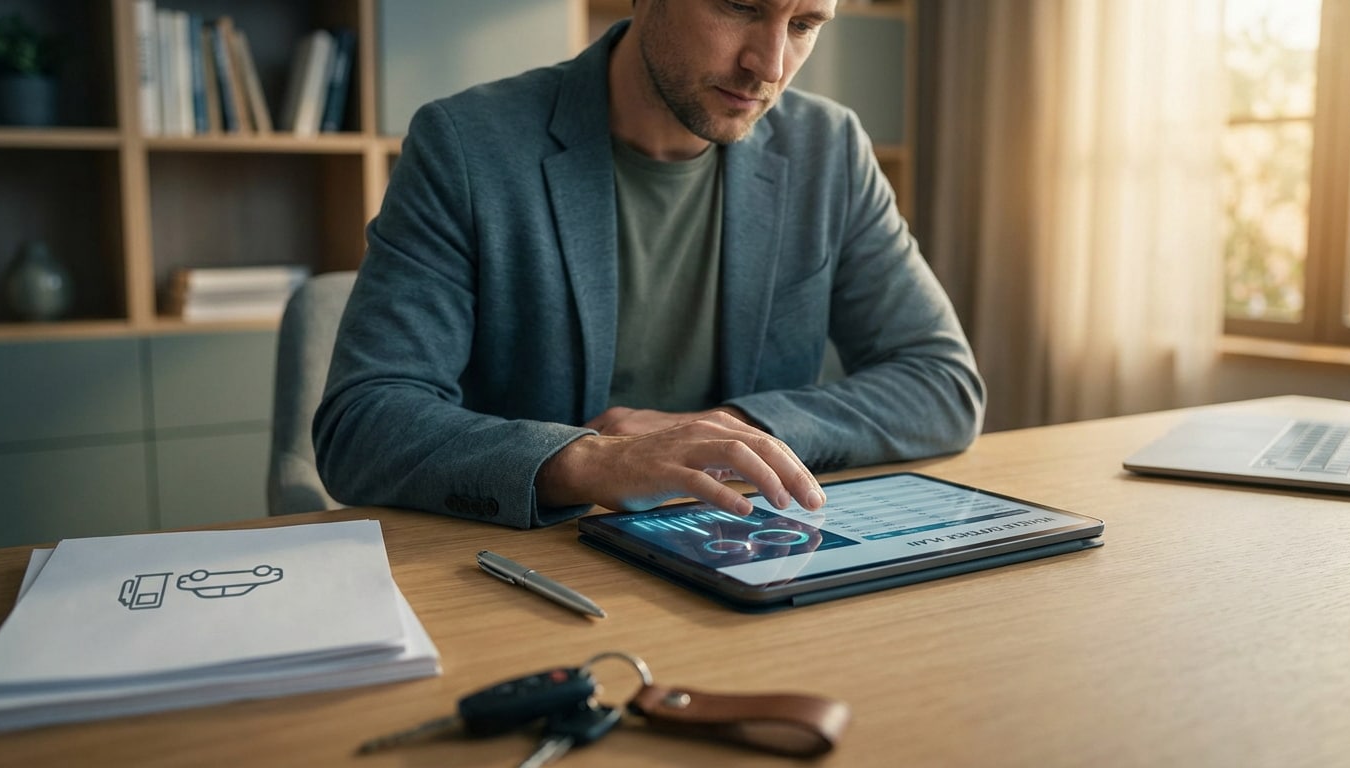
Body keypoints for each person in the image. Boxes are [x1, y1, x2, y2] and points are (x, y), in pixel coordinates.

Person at [313, 0, 986, 529]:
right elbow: (364, 424)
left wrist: (732, 433)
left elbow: (942, 384)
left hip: (745, 552)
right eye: (741, 7)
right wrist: (589, 462)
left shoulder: (829, 148)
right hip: (538, 573)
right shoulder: (466, 146)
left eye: (806, 23)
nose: (770, 64)